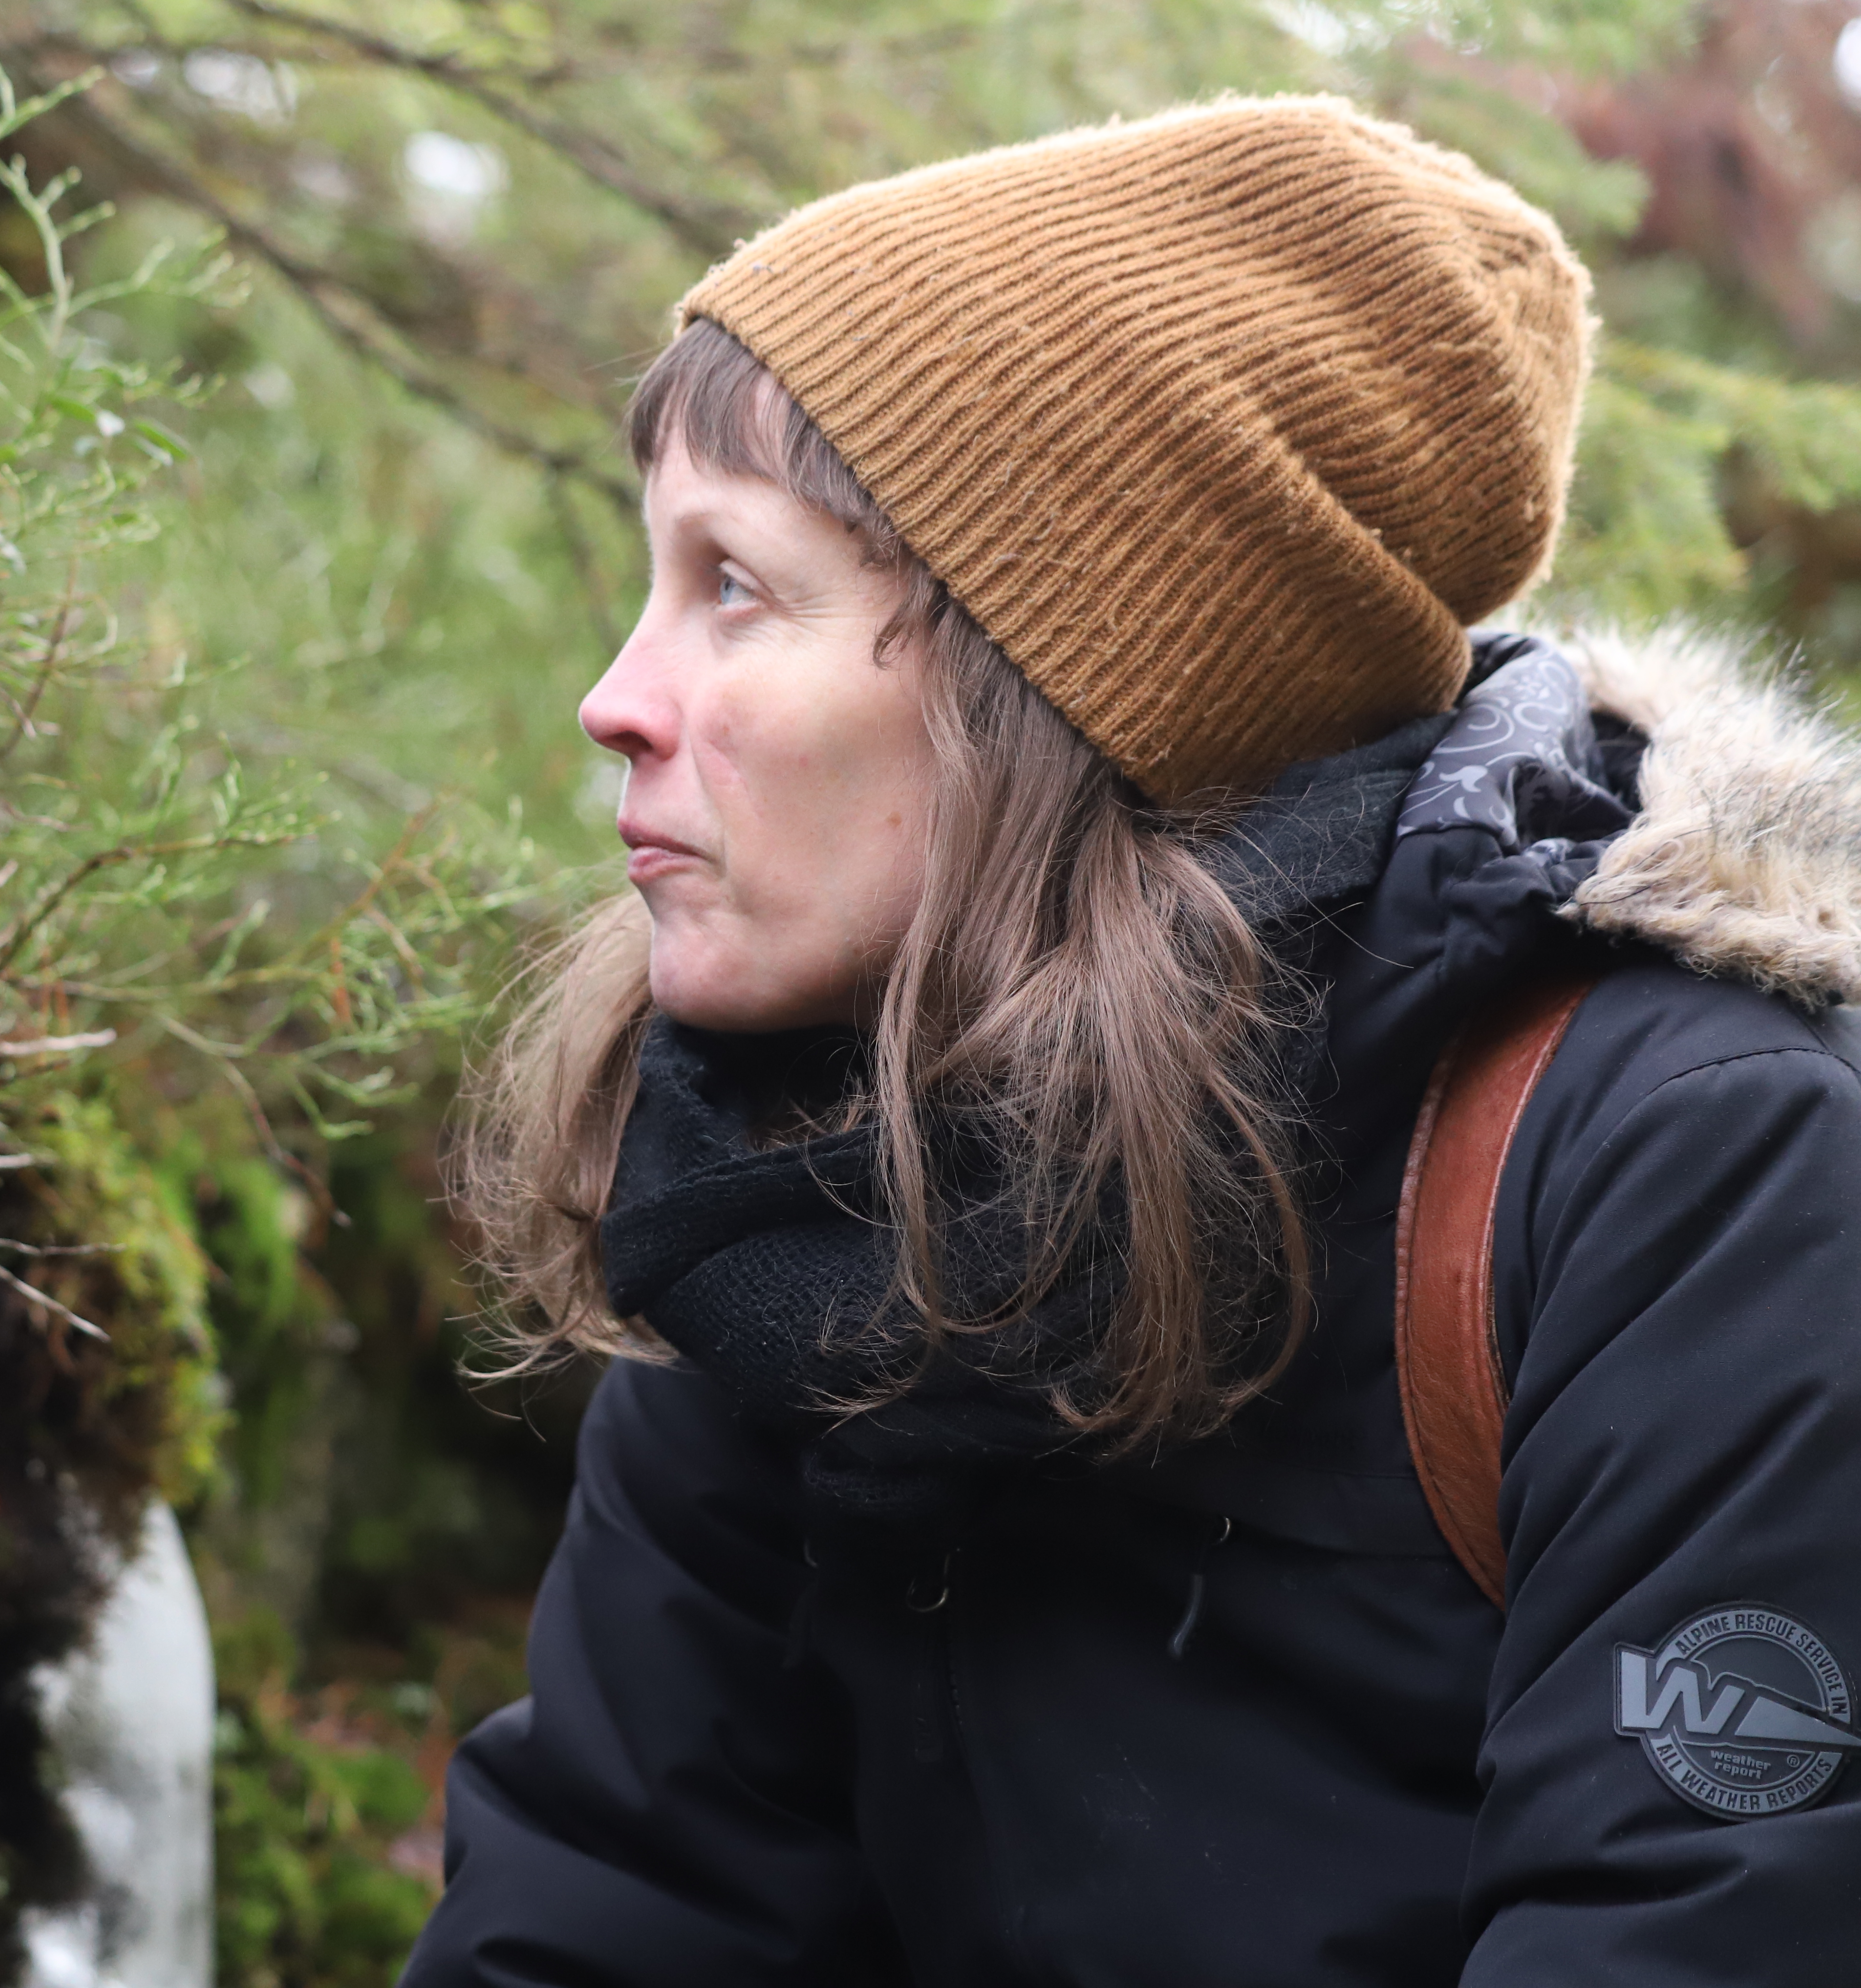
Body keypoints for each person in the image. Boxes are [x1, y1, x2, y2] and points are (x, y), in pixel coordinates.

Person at [404, 98, 1861, 1986]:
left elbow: (1697, 1932)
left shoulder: (1682, 1167)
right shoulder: (792, 1162)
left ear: (1062, 670)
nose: (618, 698)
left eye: (736, 583)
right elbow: (609, 1911)